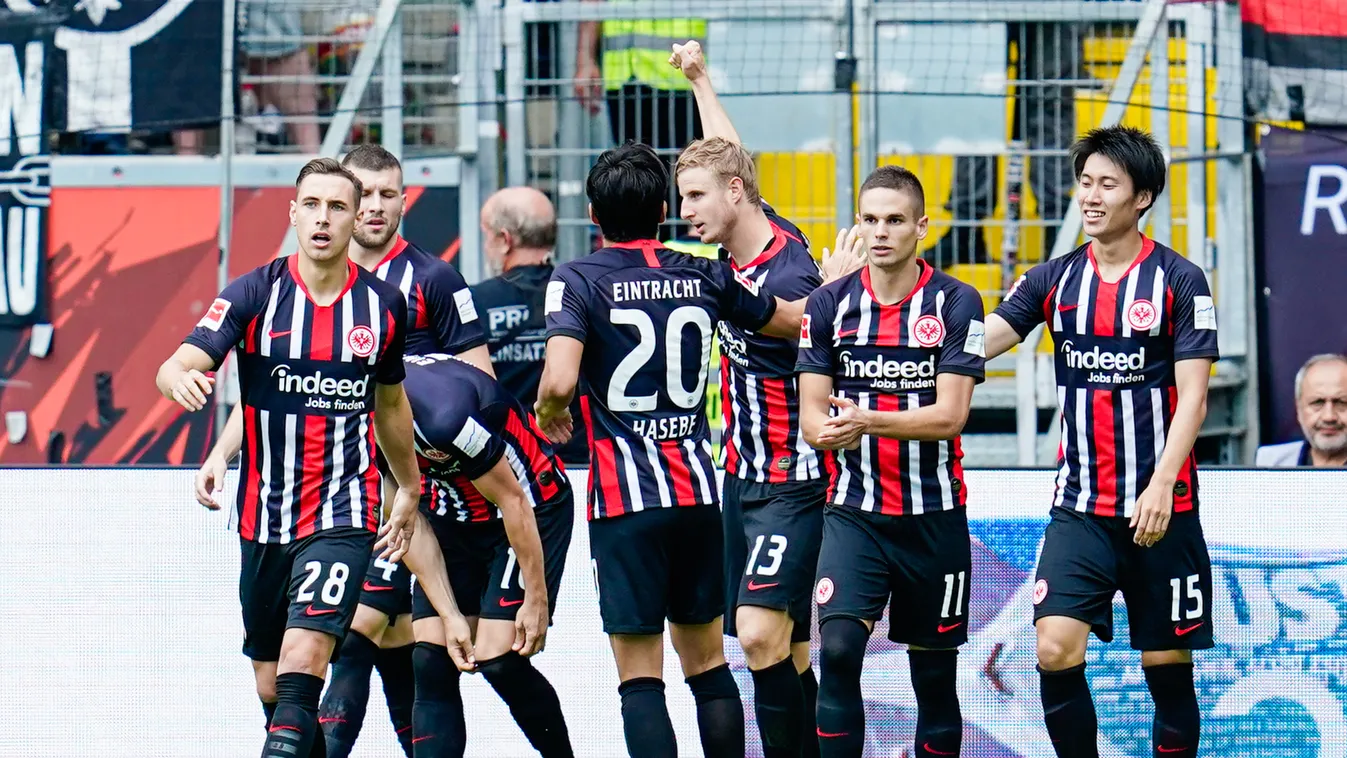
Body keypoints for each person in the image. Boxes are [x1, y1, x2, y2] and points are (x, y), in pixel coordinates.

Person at [199, 144, 493, 758]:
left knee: (390, 642)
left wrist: (435, 481)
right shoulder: (275, 290)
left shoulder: (428, 282)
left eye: (387, 194)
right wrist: (224, 451)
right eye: (357, 196)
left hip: (389, 496)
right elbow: (272, 391)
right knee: (339, 651)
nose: (370, 208)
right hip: (292, 500)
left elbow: (476, 390)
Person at [155, 158, 440, 758]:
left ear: (353, 217)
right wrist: (178, 381)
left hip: (342, 511)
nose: (323, 218)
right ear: (293, 213)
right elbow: (177, 362)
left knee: (303, 658)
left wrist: (409, 486)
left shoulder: (383, 307)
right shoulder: (255, 292)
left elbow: (391, 407)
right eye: (312, 205)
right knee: (272, 686)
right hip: (263, 516)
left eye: (338, 207)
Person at [534, 141, 805, 758]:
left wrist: (551, 414)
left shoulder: (577, 278)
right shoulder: (703, 270)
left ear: (594, 217)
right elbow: (792, 321)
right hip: (699, 495)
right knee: (708, 669)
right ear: (662, 209)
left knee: (641, 678)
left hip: (625, 502)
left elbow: (558, 380)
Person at [982, 126, 1219, 758]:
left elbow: (1194, 398)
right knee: (1054, 646)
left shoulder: (1181, 280)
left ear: (1142, 198)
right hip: (1080, 509)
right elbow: (979, 343)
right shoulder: (1053, 279)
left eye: (1107, 184)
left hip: (1162, 510)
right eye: (1084, 181)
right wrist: (894, 330)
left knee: (1165, 666)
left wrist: (1163, 484)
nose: (1089, 196)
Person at [670, 39, 860, 758]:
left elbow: (798, 320)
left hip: (795, 481)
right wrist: (700, 78)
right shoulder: (750, 232)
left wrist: (833, 293)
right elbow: (728, 152)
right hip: (740, 479)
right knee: (786, 650)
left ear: (733, 197)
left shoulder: (782, 267)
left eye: (692, 198)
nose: (683, 212)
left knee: (756, 634)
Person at [796, 165, 986, 758]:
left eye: (895, 220)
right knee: (841, 653)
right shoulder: (827, 305)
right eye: (870, 219)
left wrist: (867, 421)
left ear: (921, 228)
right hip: (855, 516)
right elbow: (810, 416)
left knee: (933, 679)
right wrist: (828, 434)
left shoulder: (958, 302)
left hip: (934, 518)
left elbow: (950, 416)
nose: (880, 233)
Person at [398, 352, 575, 758]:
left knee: (499, 656)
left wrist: (537, 597)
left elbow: (514, 501)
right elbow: (409, 523)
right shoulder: (353, 426)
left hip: (529, 504)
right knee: (430, 657)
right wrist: (449, 614)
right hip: (451, 513)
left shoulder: (445, 417)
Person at [472, 186, 588, 467]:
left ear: (504, 240)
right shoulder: (583, 293)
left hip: (505, 467)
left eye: (487, 236)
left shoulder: (474, 302)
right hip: (577, 463)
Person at [576, 0, 707, 238]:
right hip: (623, 73)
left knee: (681, 175)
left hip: (675, 74)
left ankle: (676, 256)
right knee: (632, 175)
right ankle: (640, 255)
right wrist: (585, 58)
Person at [1256, 353, 1347, 467]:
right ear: (1299, 410)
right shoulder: (1269, 463)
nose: (1328, 417)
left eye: (1341, 403)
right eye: (1317, 403)